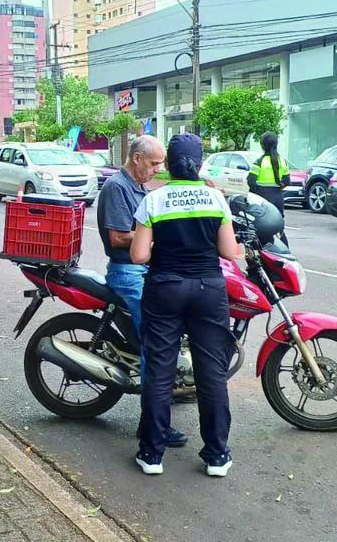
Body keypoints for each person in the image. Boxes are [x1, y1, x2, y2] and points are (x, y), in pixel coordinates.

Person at [130, 133, 240, 477]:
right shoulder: (215, 198)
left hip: (165, 288)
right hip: (209, 289)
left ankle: (151, 455)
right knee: (212, 375)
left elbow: (138, 255)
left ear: (170, 164)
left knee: (160, 372)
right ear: (200, 162)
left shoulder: (154, 200)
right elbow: (229, 252)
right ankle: (217, 456)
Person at [96, 135, 190, 446]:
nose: (157, 170)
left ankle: (165, 392)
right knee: (157, 342)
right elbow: (119, 238)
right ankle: (151, 424)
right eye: (153, 164)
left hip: (144, 269)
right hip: (127, 274)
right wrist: (157, 236)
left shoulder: (136, 187)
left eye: (161, 164)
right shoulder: (117, 188)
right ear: (136, 158)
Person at [249, 132, 289, 245]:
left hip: (263, 198)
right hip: (278, 197)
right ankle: (285, 251)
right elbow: (286, 181)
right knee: (279, 228)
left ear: (262, 146)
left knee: (260, 227)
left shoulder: (259, 162)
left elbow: (250, 181)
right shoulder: (283, 161)